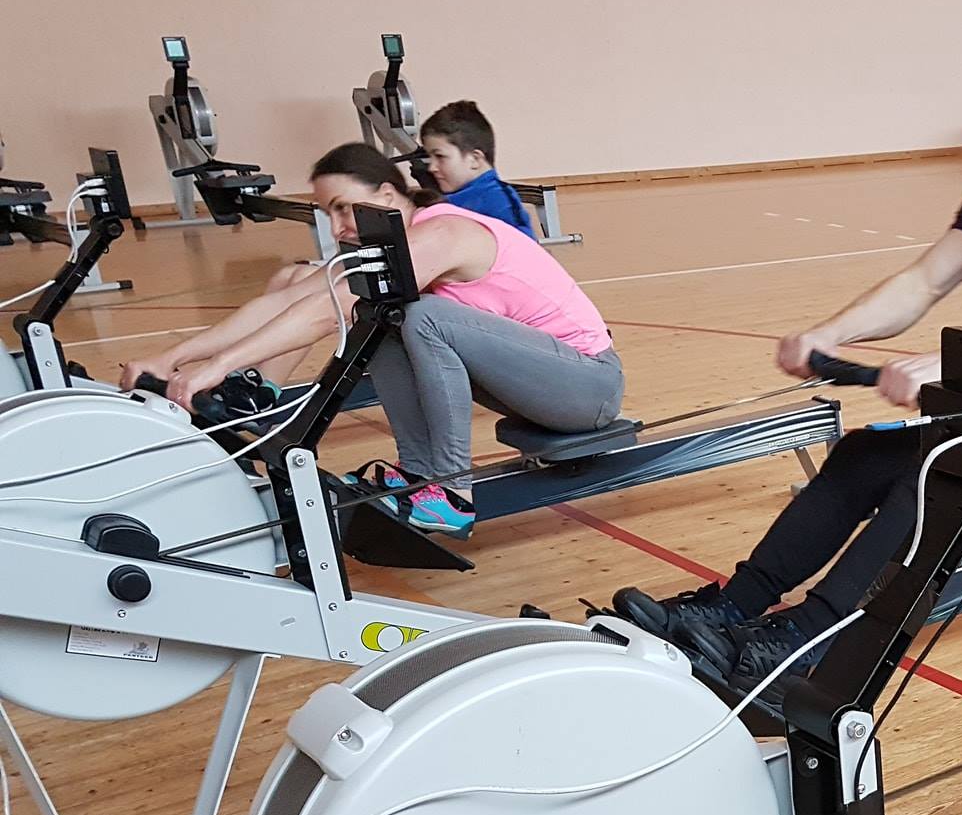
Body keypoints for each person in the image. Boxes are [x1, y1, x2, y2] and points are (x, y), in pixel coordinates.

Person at [608, 25, 962, 688]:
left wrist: (947, 366)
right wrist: (831, 333)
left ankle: (805, 641)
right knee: (863, 454)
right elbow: (922, 282)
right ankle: (732, 606)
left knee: (938, 474)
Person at [119, 144, 622, 536]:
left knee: (418, 314)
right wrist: (172, 358)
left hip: (587, 387)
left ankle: (451, 494)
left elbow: (326, 314)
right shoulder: (390, 248)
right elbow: (287, 303)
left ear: (385, 195)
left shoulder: (442, 233)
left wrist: (219, 367)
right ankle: (418, 472)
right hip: (534, 388)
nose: (338, 227)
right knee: (380, 313)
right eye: (328, 214)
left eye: (343, 208)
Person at [419, 100, 538, 238]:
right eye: (430, 158)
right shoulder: (452, 197)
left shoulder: (499, 201)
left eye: (440, 156)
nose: (432, 168)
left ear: (474, 159)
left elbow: (523, 247)